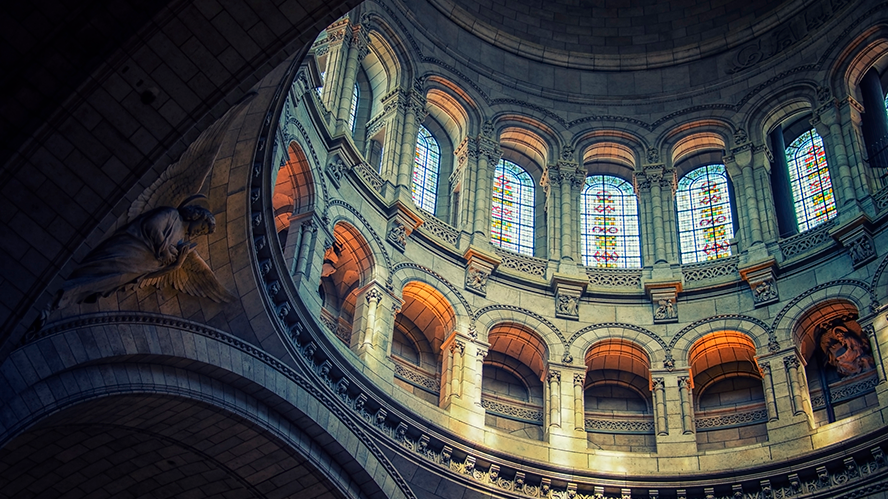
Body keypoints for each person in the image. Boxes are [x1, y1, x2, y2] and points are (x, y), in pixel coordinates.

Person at [54, 205, 215, 308]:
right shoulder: (172, 215)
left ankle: (60, 300)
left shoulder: (182, 241)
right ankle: (59, 292)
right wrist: (165, 249)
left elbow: (149, 275)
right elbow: (150, 225)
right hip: (131, 249)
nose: (199, 232)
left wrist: (175, 266)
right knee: (96, 269)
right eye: (202, 227)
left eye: (203, 233)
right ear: (197, 216)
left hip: (138, 268)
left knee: (100, 283)